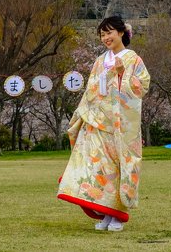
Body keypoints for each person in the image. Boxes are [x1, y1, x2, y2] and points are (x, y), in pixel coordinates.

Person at [57, 16, 151, 232]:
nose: (106, 38)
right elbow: (91, 90)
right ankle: (106, 213)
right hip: (97, 122)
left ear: (121, 33)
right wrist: (84, 114)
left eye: (109, 32)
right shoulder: (100, 60)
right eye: (102, 34)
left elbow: (141, 87)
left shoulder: (132, 59)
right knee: (100, 168)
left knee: (116, 168)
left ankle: (116, 215)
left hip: (119, 125)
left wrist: (122, 74)